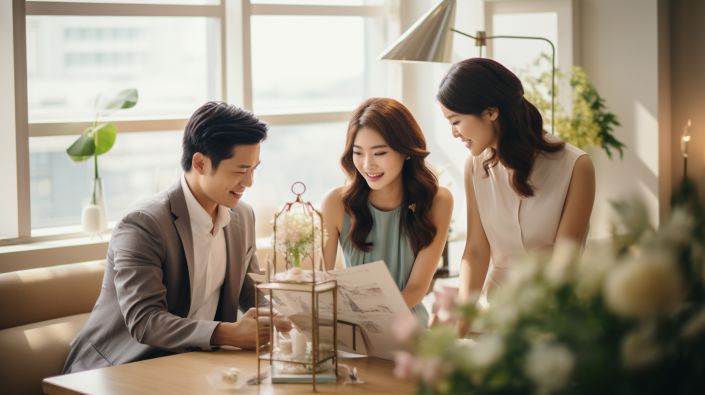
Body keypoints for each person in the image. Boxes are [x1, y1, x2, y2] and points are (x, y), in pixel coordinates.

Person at [63, 101, 290, 373]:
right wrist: (229, 334)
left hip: (197, 365)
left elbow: (249, 293)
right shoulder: (143, 225)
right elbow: (145, 321)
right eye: (241, 171)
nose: (250, 182)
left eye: (255, 169)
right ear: (200, 163)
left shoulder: (242, 216)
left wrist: (278, 316)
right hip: (117, 369)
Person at [436, 58, 595, 334]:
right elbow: (475, 250)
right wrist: (463, 325)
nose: (453, 133)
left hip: (555, 316)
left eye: (456, 121)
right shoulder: (474, 167)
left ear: (490, 112)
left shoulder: (576, 167)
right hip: (494, 314)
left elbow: (565, 261)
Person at [321, 97, 453, 327]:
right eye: (358, 152)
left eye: (379, 153)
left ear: (406, 151)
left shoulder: (438, 201)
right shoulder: (336, 203)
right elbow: (321, 281)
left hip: (405, 328)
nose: (367, 164)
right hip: (352, 328)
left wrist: (374, 322)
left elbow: (416, 289)